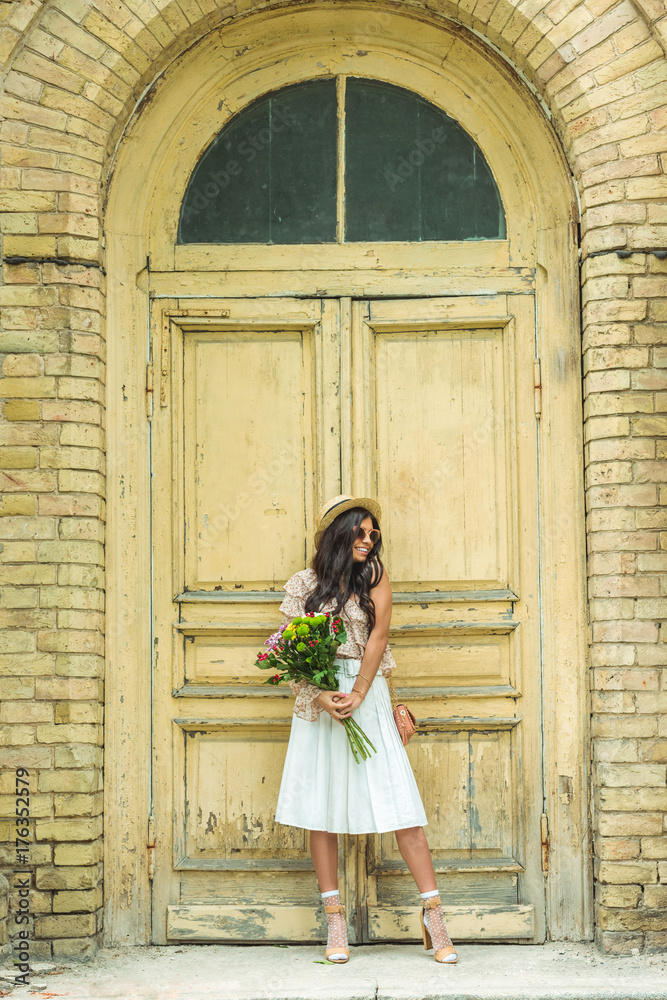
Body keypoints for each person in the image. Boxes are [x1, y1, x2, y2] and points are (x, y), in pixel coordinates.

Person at [274, 495, 457, 965]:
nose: (369, 539)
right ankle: (335, 922)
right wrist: (318, 694)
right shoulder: (303, 584)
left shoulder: (373, 575)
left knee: (401, 806)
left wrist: (358, 691)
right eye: (361, 531)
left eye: (374, 533)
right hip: (319, 699)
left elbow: (378, 637)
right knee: (321, 811)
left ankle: (434, 917)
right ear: (340, 532)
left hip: (367, 693)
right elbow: (287, 650)